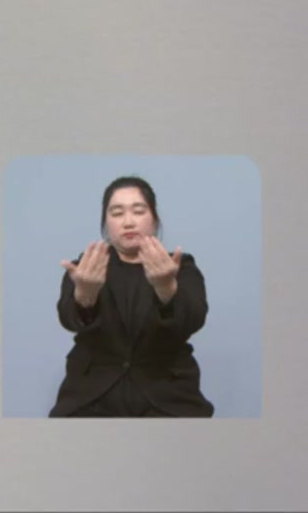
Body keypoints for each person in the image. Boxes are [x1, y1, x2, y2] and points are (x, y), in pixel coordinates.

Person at [49, 175, 213, 417]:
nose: (128, 222)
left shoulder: (180, 266)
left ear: (155, 220)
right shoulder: (87, 267)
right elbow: (68, 319)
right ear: (105, 224)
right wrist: (85, 294)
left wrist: (165, 287)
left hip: (166, 395)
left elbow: (194, 320)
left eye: (138, 211)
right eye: (116, 213)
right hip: (92, 395)